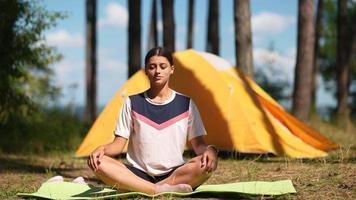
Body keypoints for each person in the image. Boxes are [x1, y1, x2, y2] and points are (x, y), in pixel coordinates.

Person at [87, 47, 218, 194]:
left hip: (174, 173)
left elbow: (199, 145)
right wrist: (102, 149)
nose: (158, 71)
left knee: (204, 164)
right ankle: (156, 190)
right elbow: (118, 145)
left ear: (172, 69)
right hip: (136, 174)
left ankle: (136, 188)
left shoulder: (186, 103)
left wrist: (211, 150)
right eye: (152, 67)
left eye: (163, 66)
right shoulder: (132, 102)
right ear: (146, 71)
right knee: (99, 162)